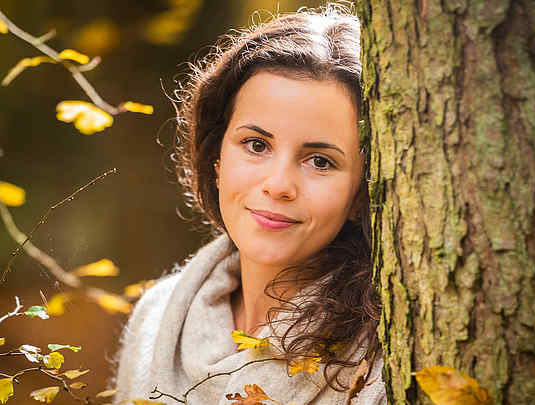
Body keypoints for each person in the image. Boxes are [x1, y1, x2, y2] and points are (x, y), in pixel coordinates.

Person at [113, 3, 386, 404]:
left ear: (362, 192)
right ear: (217, 158)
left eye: (321, 161)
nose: (278, 185)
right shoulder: (156, 316)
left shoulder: (385, 357)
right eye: (256, 145)